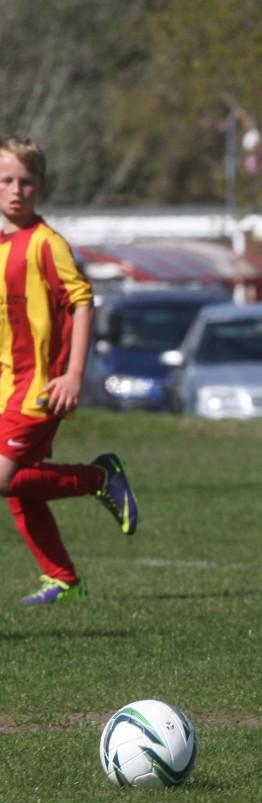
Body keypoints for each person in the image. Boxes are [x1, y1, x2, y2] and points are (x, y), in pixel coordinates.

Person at [0, 136, 139, 605]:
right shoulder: (2, 246)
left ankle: (99, 479)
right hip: (7, 388)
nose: (17, 191)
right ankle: (61, 579)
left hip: (40, 388)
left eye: (27, 182)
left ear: (40, 187)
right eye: (7, 181)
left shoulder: (47, 244)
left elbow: (82, 301)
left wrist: (74, 374)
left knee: (3, 479)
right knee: (21, 485)